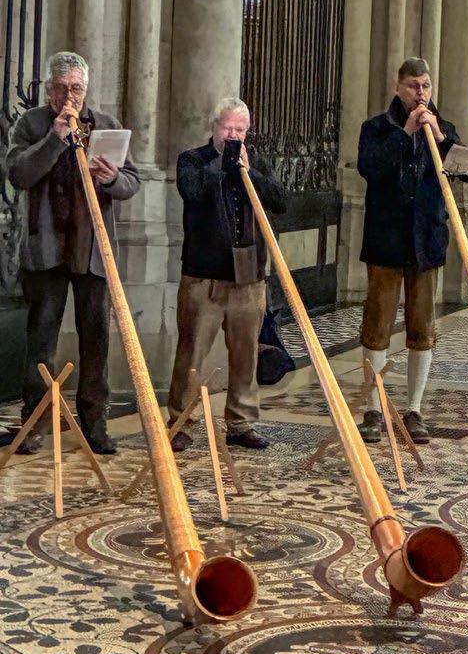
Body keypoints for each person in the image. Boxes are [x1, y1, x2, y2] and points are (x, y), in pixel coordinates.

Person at [4, 51, 140, 455]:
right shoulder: (31, 124)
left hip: (92, 250)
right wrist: (55, 139)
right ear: (49, 89)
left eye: (77, 88)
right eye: (62, 87)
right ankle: (35, 423)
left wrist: (113, 179)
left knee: (96, 339)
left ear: (87, 89)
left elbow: (132, 182)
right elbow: (19, 174)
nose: (69, 96)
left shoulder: (107, 125)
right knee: (41, 341)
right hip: (46, 250)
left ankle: (95, 424)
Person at [355, 57, 468, 444]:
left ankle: (415, 409)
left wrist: (440, 137)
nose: (420, 93)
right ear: (398, 88)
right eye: (413, 86)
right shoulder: (376, 129)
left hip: (425, 241)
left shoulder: (444, 130)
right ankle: (373, 409)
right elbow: (370, 168)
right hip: (386, 242)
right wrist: (405, 133)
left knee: (422, 328)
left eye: (425, 86)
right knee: (377, 326)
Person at [167, 97, 286, 452]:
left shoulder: (256, 162)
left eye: (240, 130)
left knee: (246, 353)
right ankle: (181, 421)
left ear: (248, 132)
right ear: (214, 127)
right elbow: (191, 190)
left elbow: (280, 201)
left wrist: (250, 172)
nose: (233, 136)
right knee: (192, 351)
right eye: (227, 128)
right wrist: (223, 164)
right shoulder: (193, 160)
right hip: (204, 276)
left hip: (248, 278)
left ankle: (241, 422)